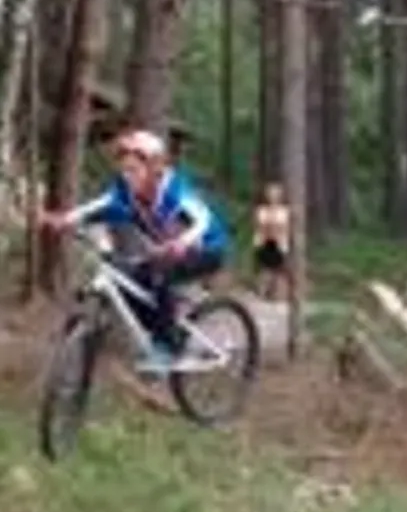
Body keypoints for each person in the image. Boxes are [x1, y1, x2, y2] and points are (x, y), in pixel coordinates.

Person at [38, 127, 232, 372]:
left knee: (160, 275)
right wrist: (64, 220)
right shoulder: (125, 191)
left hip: (207, 249)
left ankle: (167, 348)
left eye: (135, 170)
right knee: (130, 281)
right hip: (168, 252)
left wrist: (181, 242)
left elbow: (201, 220)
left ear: (154, 170)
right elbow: (99, 204)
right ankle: (165, 328)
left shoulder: (173, 192)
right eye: (124, 169)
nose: (128, 177)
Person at [251, 182, 292, 300]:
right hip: (265, 242)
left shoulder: (284, 212)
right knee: (265, 269)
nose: (273, 198)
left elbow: (286, 228)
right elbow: (260, 227)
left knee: (279, 269)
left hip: (280, 242)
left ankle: (277, 294)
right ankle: (261, 292)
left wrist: (278, 234)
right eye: (270, 195)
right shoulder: (261, 211)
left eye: (275, 195)